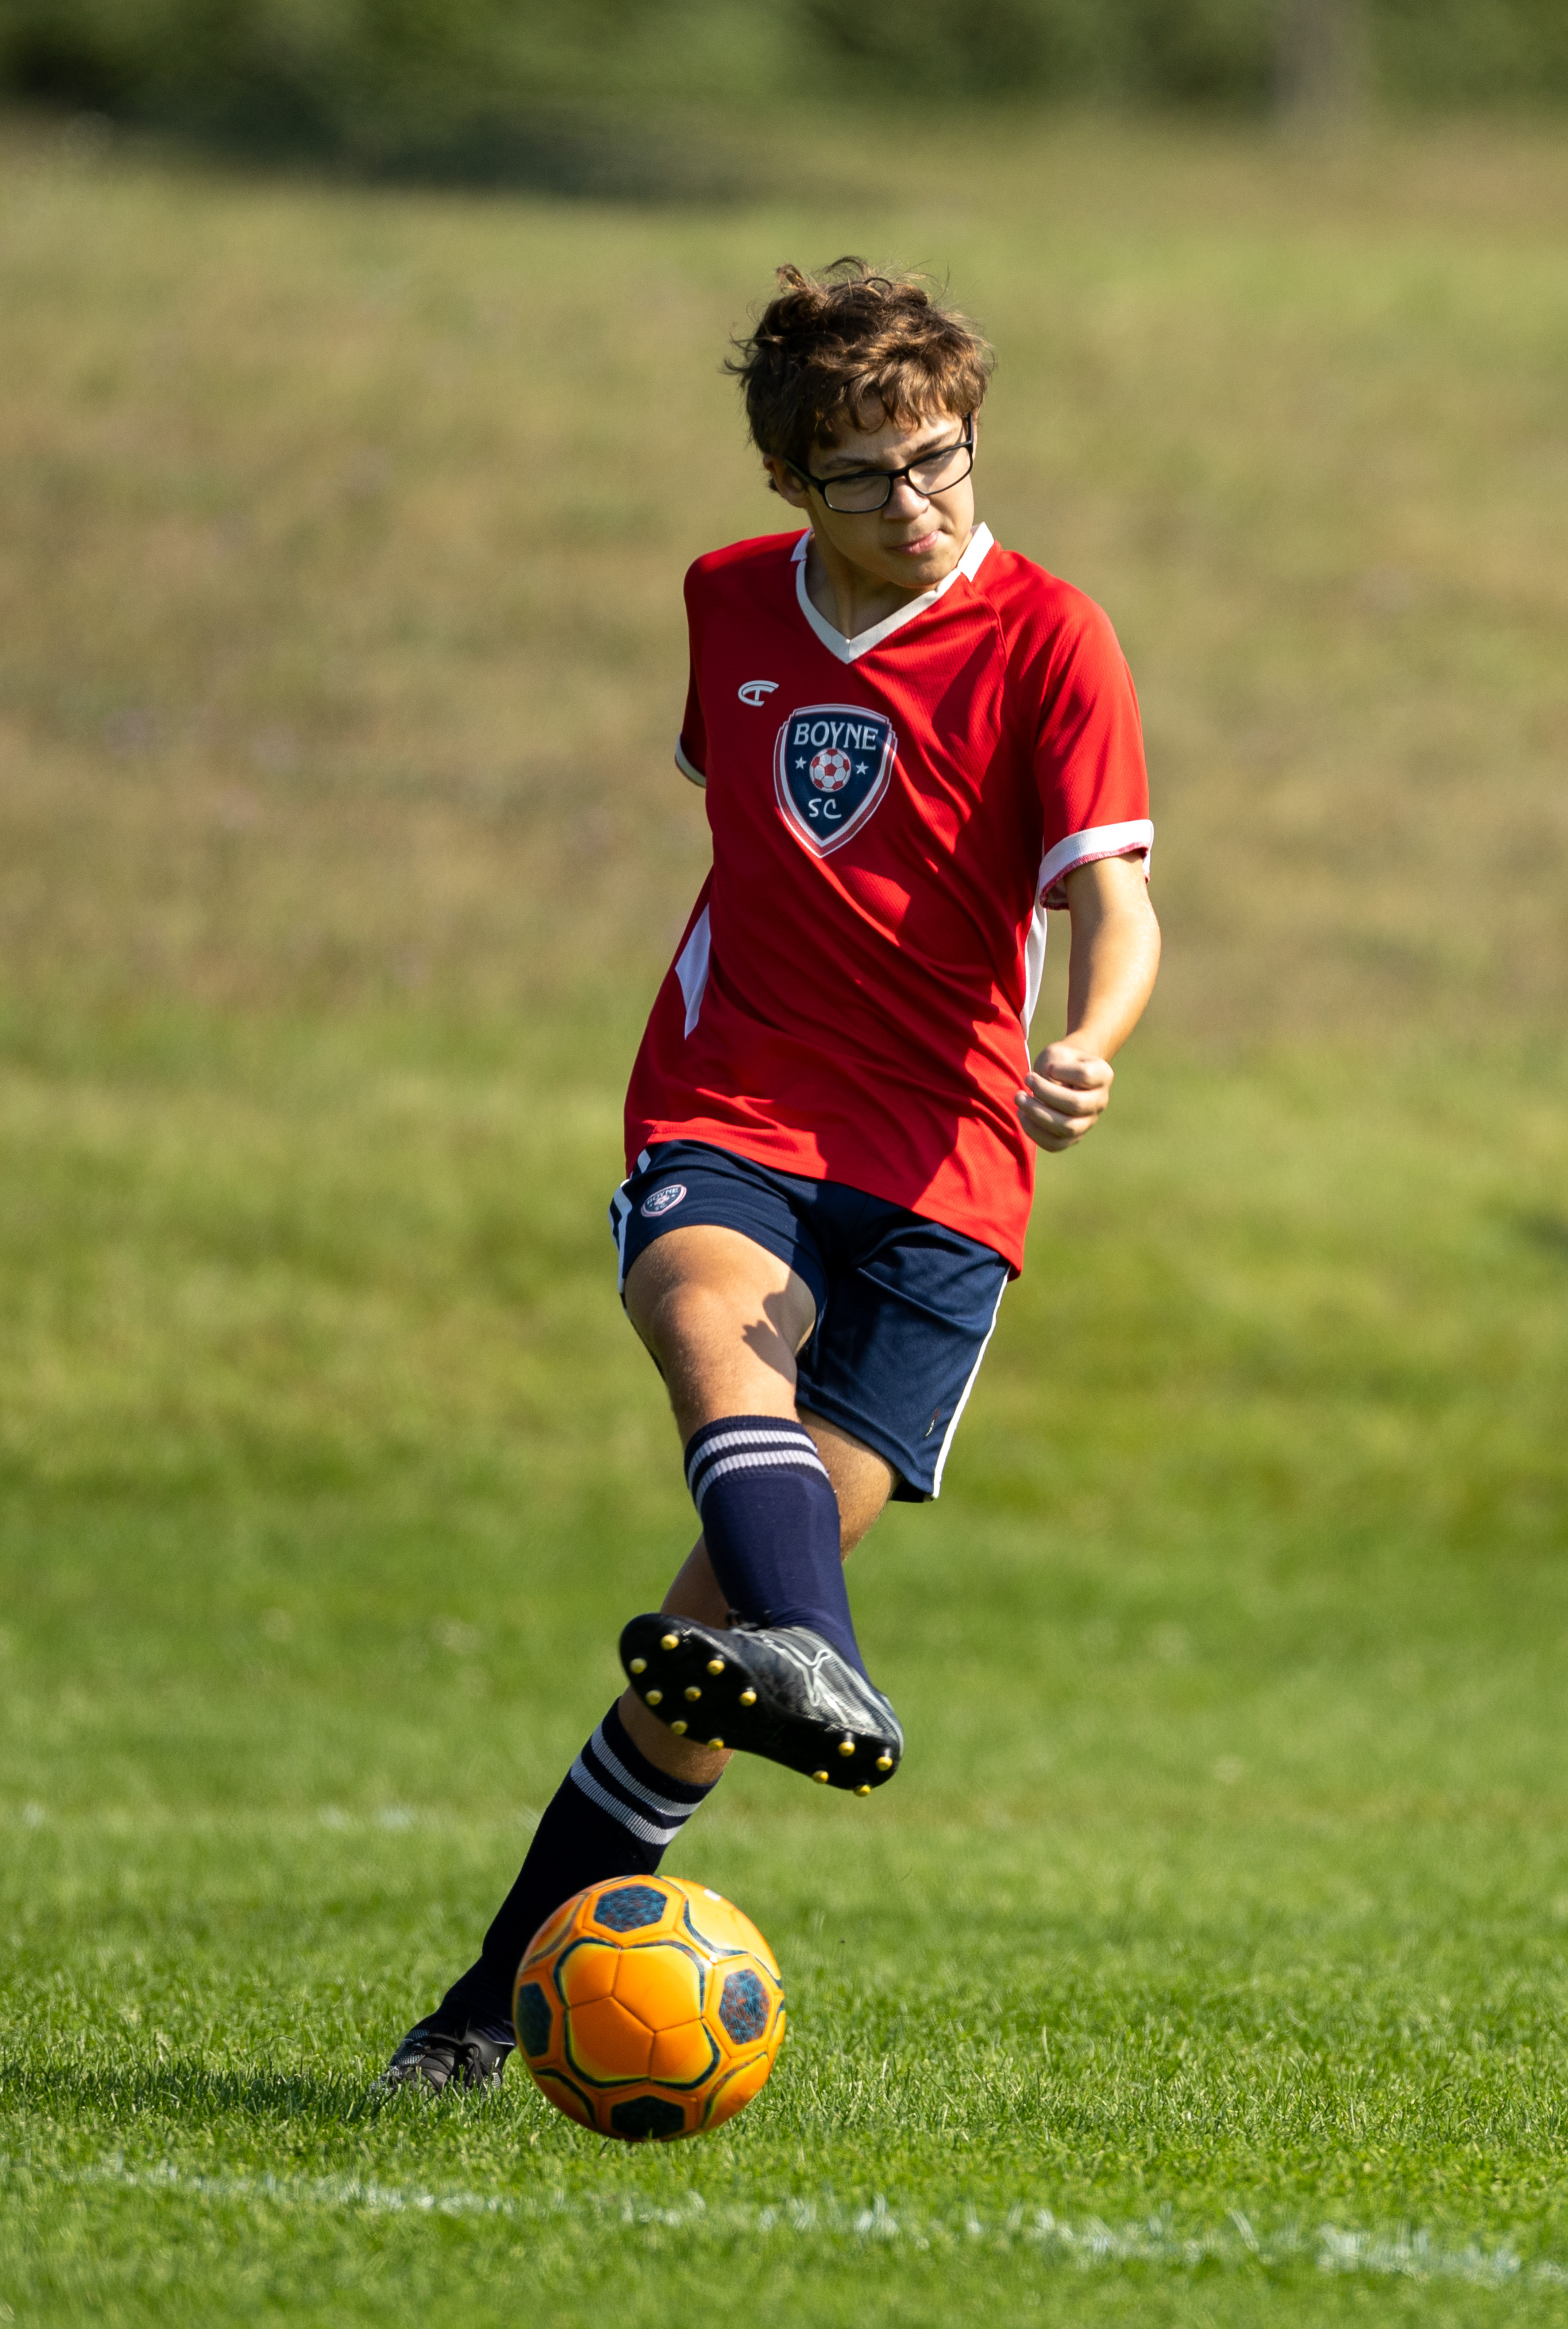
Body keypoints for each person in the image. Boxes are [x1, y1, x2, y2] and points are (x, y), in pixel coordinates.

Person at [379, 259, 1160, 2093]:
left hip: (949, 1169)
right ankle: (822, 1650)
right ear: (790, 482)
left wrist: (1090, 1039)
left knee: (699, 1668)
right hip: (733, 1099)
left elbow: (1113, 898)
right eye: (865, 476)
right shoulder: (724, 599)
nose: (915, 502)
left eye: (940, 459)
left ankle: (489, 2004)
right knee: (704, 1317)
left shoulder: (1052, 635)